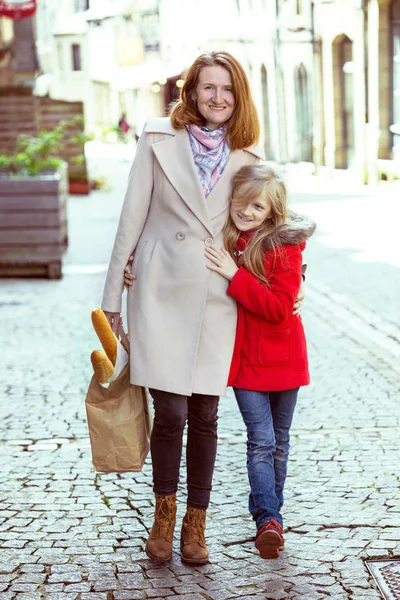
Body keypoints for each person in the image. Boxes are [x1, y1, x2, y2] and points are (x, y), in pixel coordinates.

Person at [101, 51, 264, 565]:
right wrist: (112, 299)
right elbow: (131, 215)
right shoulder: (157, 139)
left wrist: (281, 275)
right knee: (169, 411)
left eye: (227, 90)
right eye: (208, 88)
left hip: (216, 295)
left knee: (206, 413)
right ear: (191, 91)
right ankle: (163, 517)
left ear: (238, 98)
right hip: (159, 288)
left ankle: (196, 525)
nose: (217, 98)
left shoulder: (249, 155)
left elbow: (262, 228)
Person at [204, 163, 315, 559]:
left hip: (284, 359)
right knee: (261, 441)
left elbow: (279, 308)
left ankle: (274, 518)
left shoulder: (283, 247)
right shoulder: (227, 238)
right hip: (247, 362)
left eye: (258, 207)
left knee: (279, 443)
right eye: (242, 202)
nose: (247, 211)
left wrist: (236, 276)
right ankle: (267, 519)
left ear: (272, 211)